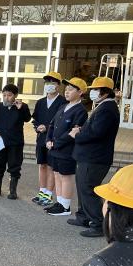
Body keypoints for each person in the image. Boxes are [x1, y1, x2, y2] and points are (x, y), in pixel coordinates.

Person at [70, 76, 120, 237]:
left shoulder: (107, 109)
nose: (93, 92)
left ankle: (98, 224)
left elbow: (97, 133)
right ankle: (84, 216)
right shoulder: (103, 106)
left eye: (96, 90)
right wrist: (81, 130)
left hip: (95, 158)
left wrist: (77, 134)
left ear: (105, 92)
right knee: (82, 186)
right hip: (89, 156)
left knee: (88, 188)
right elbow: (93, 129)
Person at [45, 78, 88, 216]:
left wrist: (56, 143)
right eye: (66, 89)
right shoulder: (63, 106)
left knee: (66, 176)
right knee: (57, 174)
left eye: (71, 89)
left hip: (67, 150)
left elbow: (72, 132)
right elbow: (52, 124)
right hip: (55, 149)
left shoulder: (81, 111)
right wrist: (48, 139)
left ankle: (65, 206)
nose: (67, 91)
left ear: (80, 92)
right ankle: (60, 202)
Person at [0, 83, 32, 200]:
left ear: (15, 95)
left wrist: (21, 108)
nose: (6, 98)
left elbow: (27, 118)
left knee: (15, 165)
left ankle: (12, 191)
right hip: (0, 142)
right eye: (4, 95)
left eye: (9, 95)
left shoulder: (22, 106)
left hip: (15, 142)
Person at [31, 71, 67, 206]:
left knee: (51, 166)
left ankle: (49, 194)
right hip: (41, 138)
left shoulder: (63, 102)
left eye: (52, 82)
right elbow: (35, 119)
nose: (49, 85)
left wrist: (47, 127)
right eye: (47, 82)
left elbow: (62, 122)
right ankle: (42, 191)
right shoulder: (40, 102)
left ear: (58, 85)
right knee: (42, 165)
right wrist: (37, 127)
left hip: (53, 139)